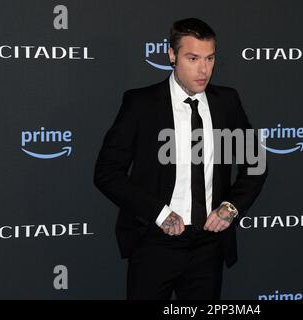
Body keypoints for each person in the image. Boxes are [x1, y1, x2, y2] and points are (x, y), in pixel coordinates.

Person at [94, 17, 268, 300]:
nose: (204, 69)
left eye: (210, 58)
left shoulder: (227, 101)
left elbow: (255, 165)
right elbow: (106, 173)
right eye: (193, 58)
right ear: (172, 56)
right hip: (154, 242)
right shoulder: (141, 104)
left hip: (208, 245)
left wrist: (230, 207)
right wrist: (159, 213)